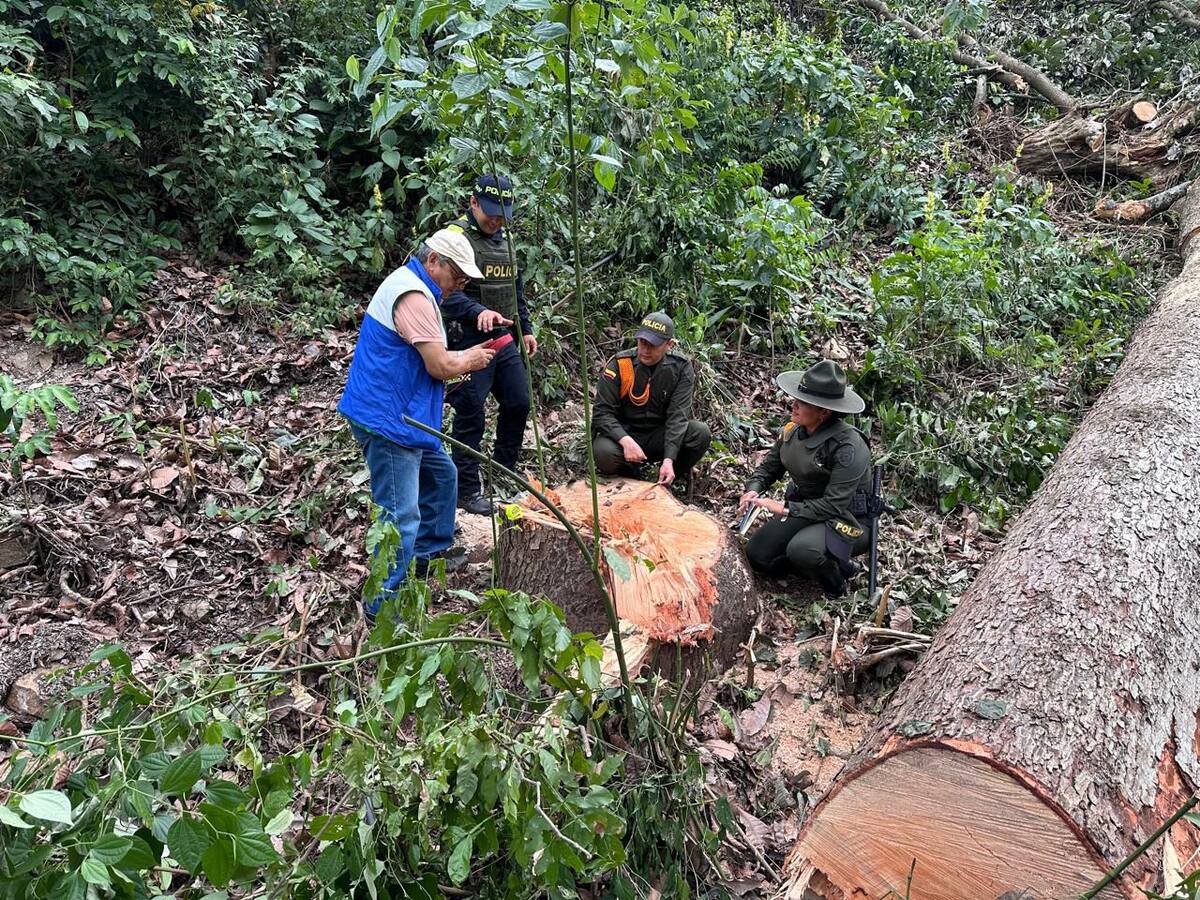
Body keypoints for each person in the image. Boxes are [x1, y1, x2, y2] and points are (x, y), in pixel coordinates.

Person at [337, 228, 497, 620]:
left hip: (409, 417)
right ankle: (382, 609)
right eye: (456, 276)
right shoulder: (412, 295)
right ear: (433, 262)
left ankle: (427, 556)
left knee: (443, 476)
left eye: (464, 280)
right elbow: (439, 364)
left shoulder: (419, 288)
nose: (458, 285)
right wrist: (471, 360)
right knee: (399, 517)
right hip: (390, 421)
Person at [441, 174, 537, 516]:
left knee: (518, 402)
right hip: (464, 342)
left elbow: (516, 290)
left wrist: (525, 329)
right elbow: (440, 293)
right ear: (473, 202)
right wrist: (477, 310)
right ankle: (466, 491)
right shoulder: (453, 239)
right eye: (490, 213)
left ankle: (503, 471)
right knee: (471, 415)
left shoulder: (506, 240)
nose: (496, 221)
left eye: (502, 214)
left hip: (503, 338)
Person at [738, 359, 872, 598]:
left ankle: (837, 583)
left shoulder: (848, 446)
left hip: (846, 520)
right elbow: (769, 468)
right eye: (796, 398)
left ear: (824, 411)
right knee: (757, 555)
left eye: (803, 403)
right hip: (806, 510)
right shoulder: (792, 431)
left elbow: (834, 504)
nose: (794, 405)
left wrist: (785, 509)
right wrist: (753, 489)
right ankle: (810, 567)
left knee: (802, 549)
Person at [591, 312, 711, 488]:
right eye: (642, 343)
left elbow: (677, 416)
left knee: (699, 433)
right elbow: (602, 413)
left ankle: (665, 478)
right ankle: (631, 476)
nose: (645, 350)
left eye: (653, 345)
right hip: (624, 434)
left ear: (668, 345)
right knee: (603, 452)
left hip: (658, 436)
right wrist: (625, 440)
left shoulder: (680, 368)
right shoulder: (620, 365)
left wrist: (669, 459)